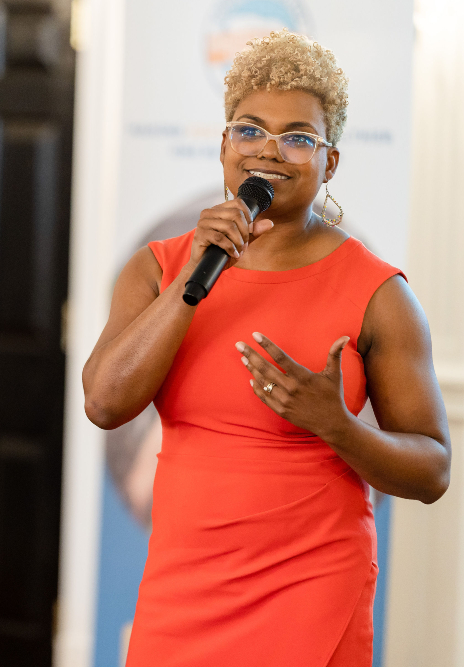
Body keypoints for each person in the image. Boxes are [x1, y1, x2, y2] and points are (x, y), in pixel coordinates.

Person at [82, 30, 451, 667]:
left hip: (311, 593)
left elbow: (433, 471)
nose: (270, 151)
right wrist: (194, 278)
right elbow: (105, 403)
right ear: (224, 144)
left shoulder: (378, 293)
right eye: (250, 129)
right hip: (184, 593)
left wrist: (337, 426)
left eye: (299, 137)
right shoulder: (158, 269)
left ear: (329, 161)